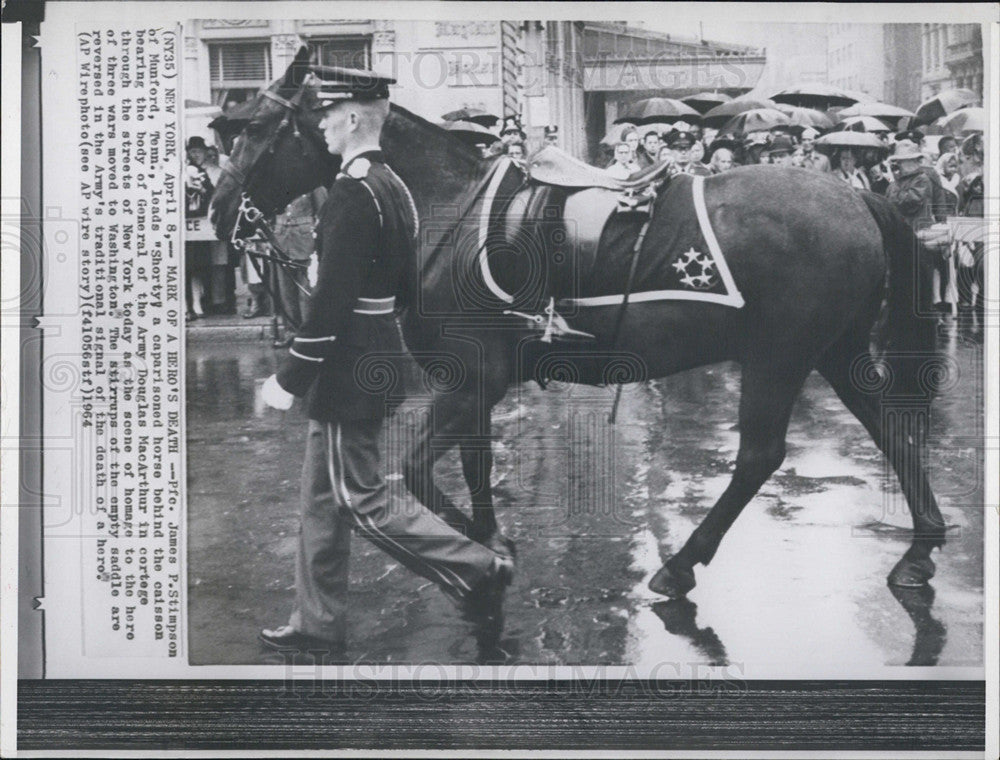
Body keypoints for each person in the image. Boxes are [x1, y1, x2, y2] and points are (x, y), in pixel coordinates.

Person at [258, 66, 513, 654]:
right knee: (320, 500)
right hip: (372, 354)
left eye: (326, 113)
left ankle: (479, 567)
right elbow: (393, 282)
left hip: (345, 365)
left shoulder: (353, 192)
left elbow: (331, 307)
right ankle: (315, 624)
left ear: (351, 117)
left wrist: (290, 375)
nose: (319, 124)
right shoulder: (392, 184)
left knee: (361, 499)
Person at [271, 187, 328, 346]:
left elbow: (323, 212)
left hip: (306, 242)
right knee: (285, 292)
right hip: (281, 240)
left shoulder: (313, 183)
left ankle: (309, 333)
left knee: (306, 293)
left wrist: (320, 240)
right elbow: (268, 211)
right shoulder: (275, 181)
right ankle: (291, 331)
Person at [955, 133, 984, 337]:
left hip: (981, 231)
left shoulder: (979, 178)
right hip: (973, 232)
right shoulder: (970, 180)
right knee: (969, 274)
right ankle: (975, 324)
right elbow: (964, 206)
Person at [184, 136, 215, 320]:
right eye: (191, 152)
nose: (194, 155)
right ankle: (186, 305)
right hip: (185, 224)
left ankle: (197, 303)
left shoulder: (200, 172)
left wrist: (200, 190)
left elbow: (211, 193)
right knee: (184, 267)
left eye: (197, 151)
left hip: (199, 225)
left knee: (197, 267)